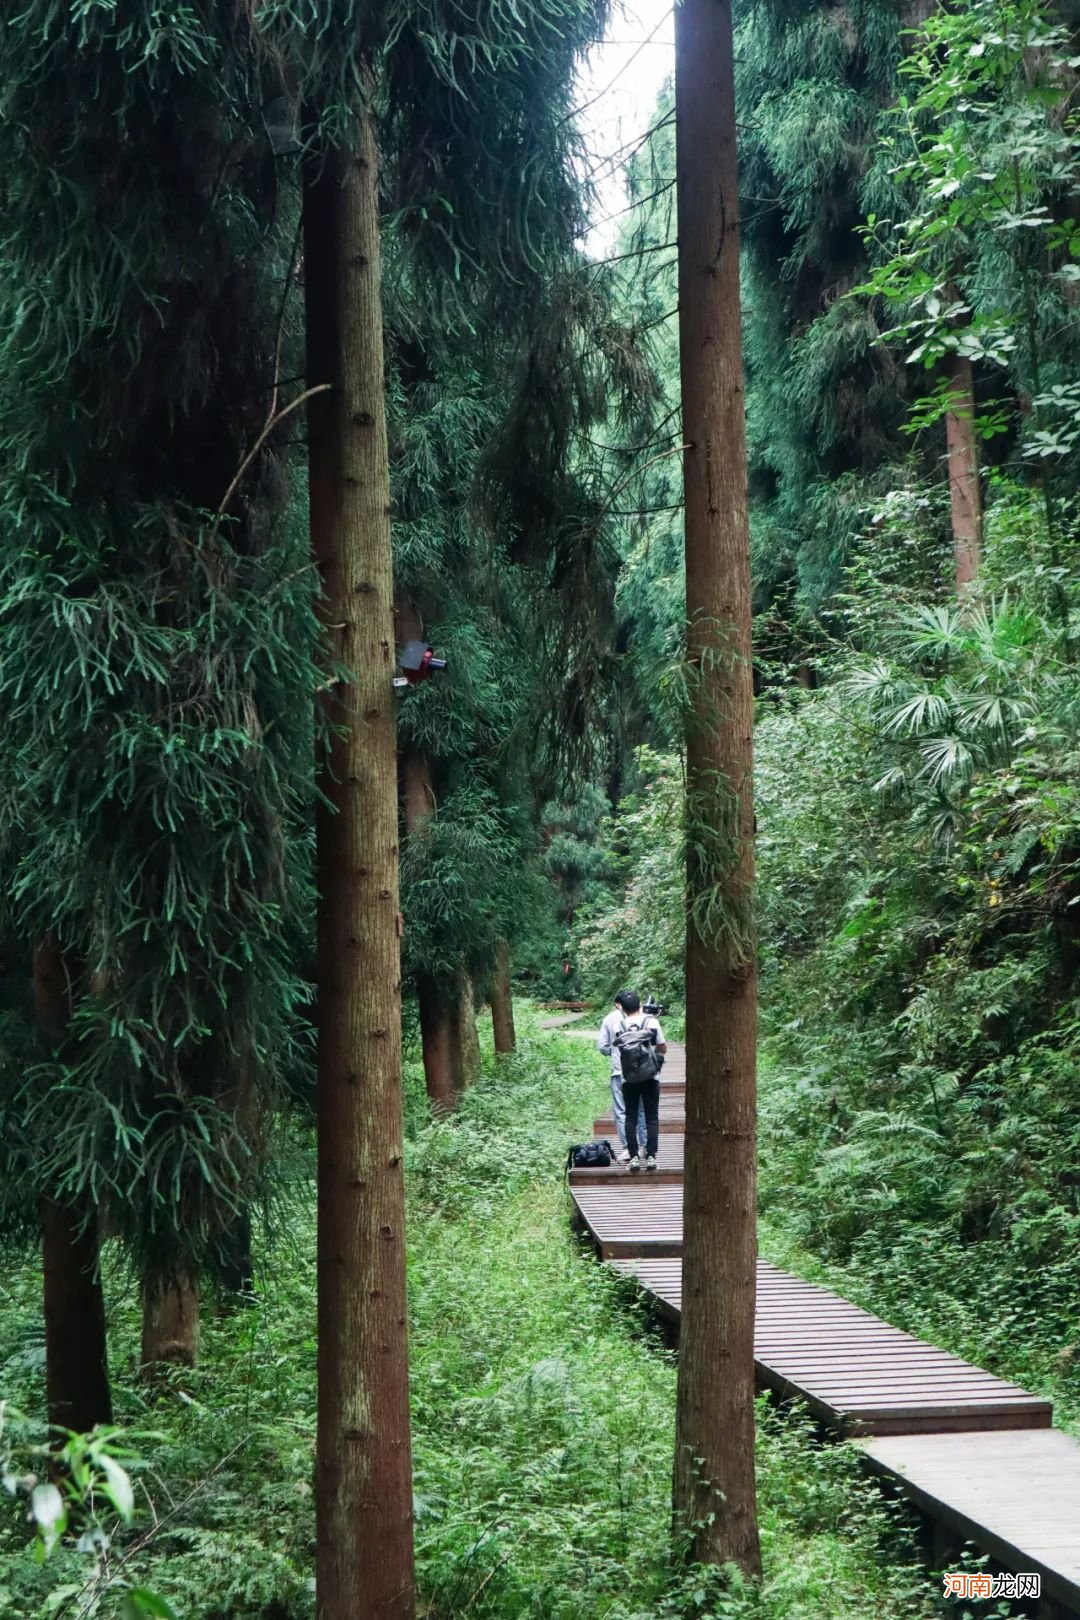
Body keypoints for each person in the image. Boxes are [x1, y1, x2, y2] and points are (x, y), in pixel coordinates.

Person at [597, 990, 666, 1171]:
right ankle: (650, 1155)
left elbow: (612, 1047)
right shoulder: (651, 1022)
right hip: (651, 1076)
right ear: (640, 1005)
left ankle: (633, 1155)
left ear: (622, 1008)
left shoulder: (617, 1026)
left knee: (630, 1117)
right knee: (651, 1117)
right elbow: (662, 1047)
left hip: (627, 1077)